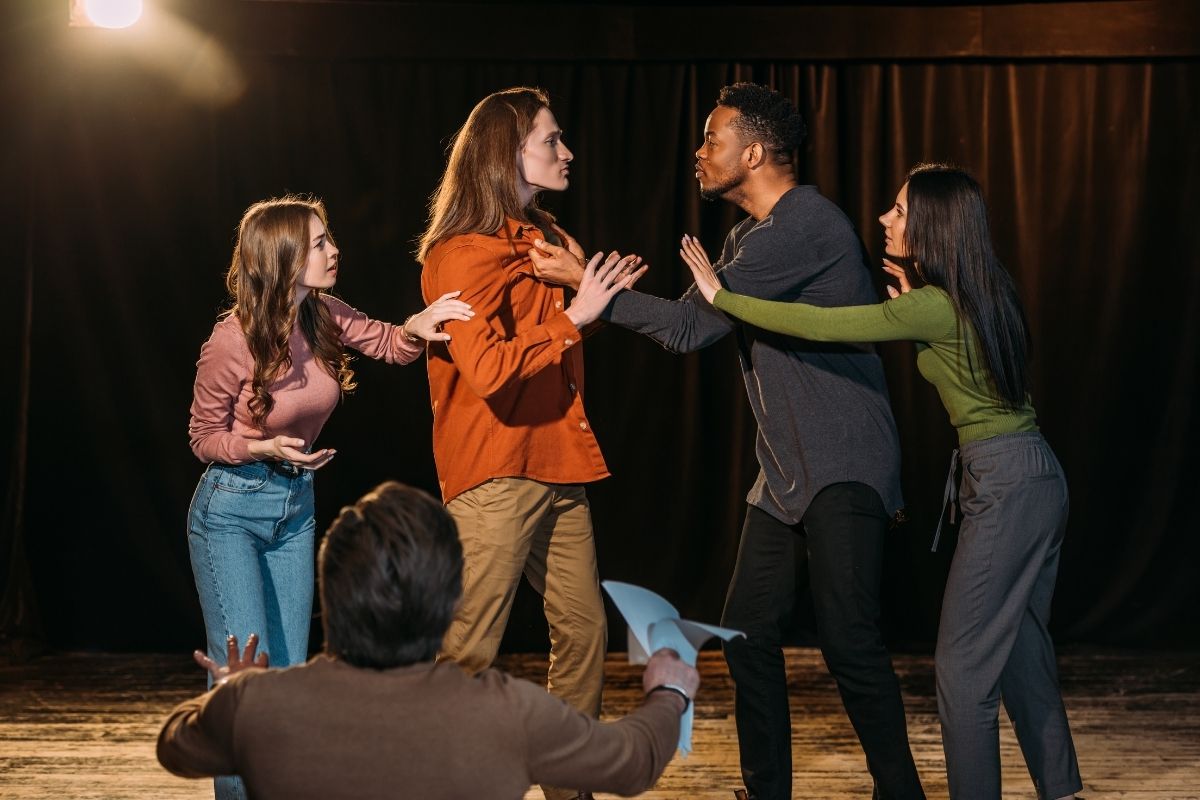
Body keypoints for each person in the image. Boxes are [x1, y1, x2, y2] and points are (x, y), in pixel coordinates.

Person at [532, 82, 924, 800]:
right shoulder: (747, 237)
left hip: (844, 462)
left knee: (850, 643)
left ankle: (903, 793)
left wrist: (587, 286)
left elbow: (689, 328)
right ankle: (766, 790)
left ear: (752, 151)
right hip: (782, 476)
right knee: (748, 633)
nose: (699, 151)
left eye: (711, 139)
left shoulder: (807, 226)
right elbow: (686, 321)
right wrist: (593, 287)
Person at [682, 163, 1083, 800]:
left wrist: (721, 297)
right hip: (1033, 475)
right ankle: (1060, 788)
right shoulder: (982, 291)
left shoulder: (933, 305)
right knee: (1022, 648)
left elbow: (823, 325)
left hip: (1005, 483)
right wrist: (910, 309)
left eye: (898, 211)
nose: (883, 220)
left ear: (934, 223)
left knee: (963, 668)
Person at [158, 481, 701, 800]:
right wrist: (670, 693)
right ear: (450, 604)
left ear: (333, 591)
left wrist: (228, 692)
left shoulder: (260, 707)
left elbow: (176, 746)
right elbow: (632, 761)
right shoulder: (506, 711)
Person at [187, 196, 472, 800]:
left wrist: (418, 328)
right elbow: (203, 437)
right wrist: (261, 449)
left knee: (286, 677)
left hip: (294, 512)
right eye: (318, 242)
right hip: (230, 512)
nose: (333, 249)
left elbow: (390, 343)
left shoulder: (321, 314)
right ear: (282, 256)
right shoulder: (230, 339)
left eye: (329, 238)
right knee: (245, 678)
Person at [416, 87, 643, 800]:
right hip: (496, 467)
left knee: (584, 635)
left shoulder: (543, 241)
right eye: (551, 140)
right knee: (469, 646)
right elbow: (488, 371)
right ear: (504, 154)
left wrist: (590, 297)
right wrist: (578, 312)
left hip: (557, 462)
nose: (566, 152)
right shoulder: (460, 256)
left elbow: (561, 341)